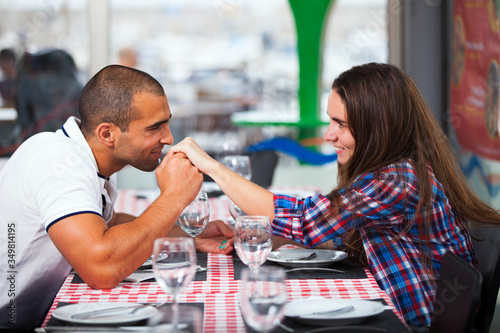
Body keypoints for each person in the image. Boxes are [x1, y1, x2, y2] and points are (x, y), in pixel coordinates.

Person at [169, 62, 500, 327]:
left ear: (376, 126)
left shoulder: (398, 180)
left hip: (412, 324)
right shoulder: (393, 173)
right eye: (331, 121)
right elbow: (332, 234)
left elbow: (305, 222)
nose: (328, 135)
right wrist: (252, 235)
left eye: (341, 124)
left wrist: (212, 166)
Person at [0, 65, 234, 330]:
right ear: (107, 134)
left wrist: (185, 235)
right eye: (154, 127)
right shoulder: (60, 161)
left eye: (167, 122)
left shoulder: (81, 157)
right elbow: (102, 268)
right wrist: (174, 198)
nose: (168, 138)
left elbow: (107, 227)